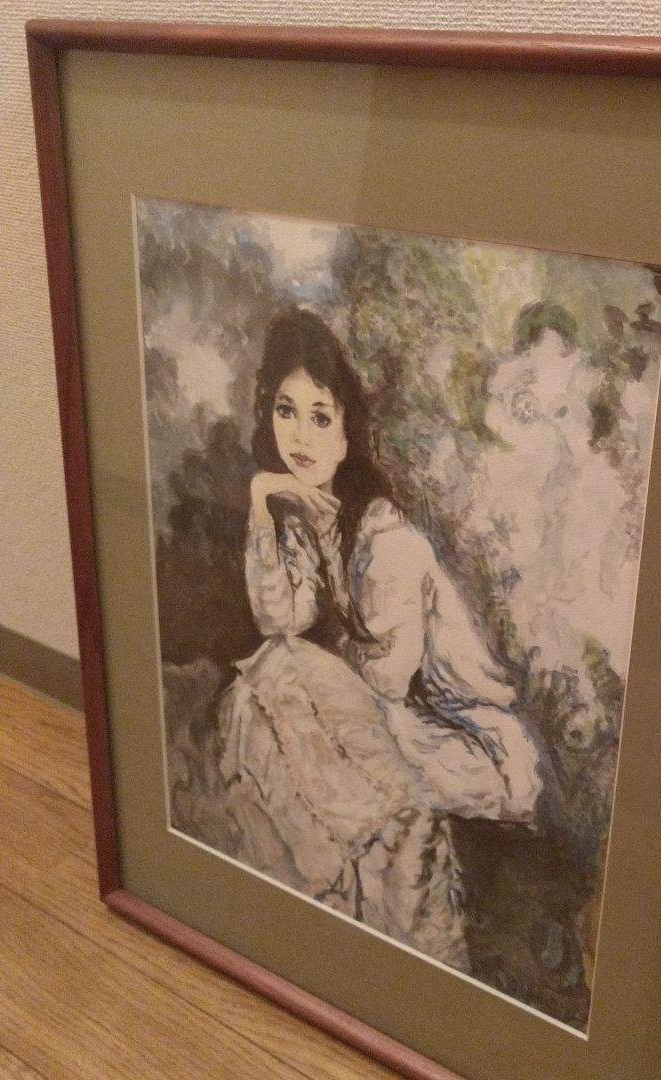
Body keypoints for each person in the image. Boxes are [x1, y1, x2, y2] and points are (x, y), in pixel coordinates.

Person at [215, 306, 542, 970]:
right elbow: (280, 621)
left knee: (280, 679)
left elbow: (386, 683)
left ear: (347, 436)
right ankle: (305, 917)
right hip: (365, 718)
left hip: (450, 733)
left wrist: (309, 677)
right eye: (285, 410)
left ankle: (349, 909)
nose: (299, 435)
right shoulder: (304, 513)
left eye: (320, 418)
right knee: (250, 698)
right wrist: (262, 508)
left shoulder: (388, 540)